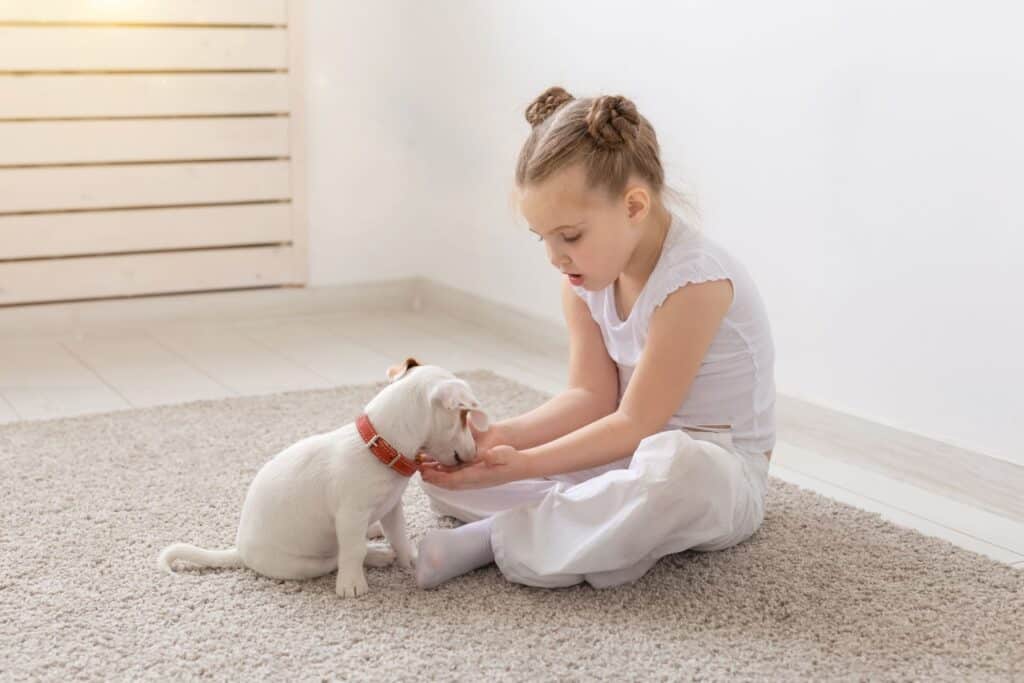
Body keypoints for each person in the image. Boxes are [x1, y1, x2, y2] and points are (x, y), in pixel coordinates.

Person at [414, 86, 774, 590]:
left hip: (716, 473)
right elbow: (589, 398)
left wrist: (525, 465)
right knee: (453, 484)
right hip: (626, 453)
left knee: (677, 468)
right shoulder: (583, 282)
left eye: (571, 236)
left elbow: (635, 420)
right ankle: (594, 527)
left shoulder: (696, 283)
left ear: (633, 206)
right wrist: (496, 443)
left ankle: (495, 539)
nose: (556, 258)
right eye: (544, 239)